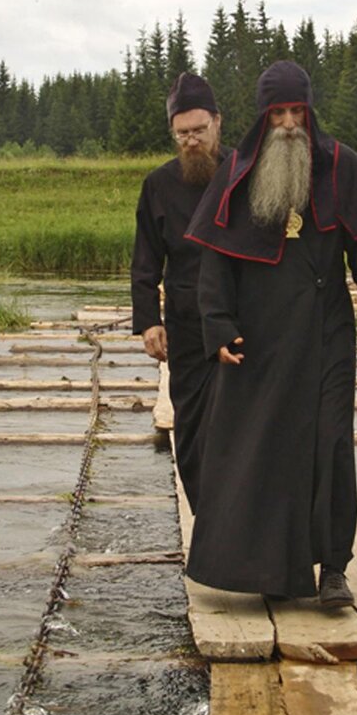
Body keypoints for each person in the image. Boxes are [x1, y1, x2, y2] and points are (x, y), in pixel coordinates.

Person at [183, 60, 357, 608]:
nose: (286, 124)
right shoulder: (239, 174)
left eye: (294, 111)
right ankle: (265, 570)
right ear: (262, 116)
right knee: (262, 449)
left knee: (330, 446)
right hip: (259, 341)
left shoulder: (341, 166)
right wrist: (220, 327)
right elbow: (216, 265)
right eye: (276, 113)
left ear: (308, 111)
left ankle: (333, 571)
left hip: (326, 334)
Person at [131, 72, 229, 513]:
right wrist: (149, 320)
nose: (191, 142)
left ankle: (241, 528)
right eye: (182, 134)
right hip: (187, 328)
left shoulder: (242, 173)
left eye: (199, 131)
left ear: (217, 124)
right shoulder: (158, 185)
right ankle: (207, 521)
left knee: (241, 426)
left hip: (241, 324)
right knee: (189, 426)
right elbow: (146, 260)